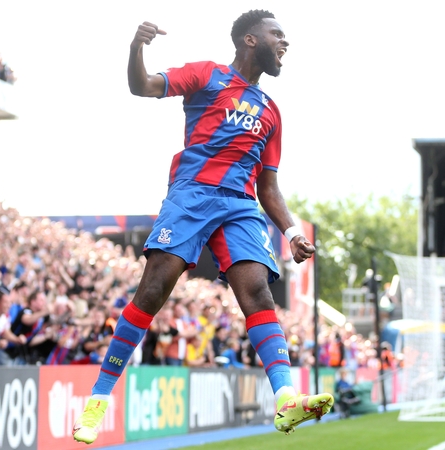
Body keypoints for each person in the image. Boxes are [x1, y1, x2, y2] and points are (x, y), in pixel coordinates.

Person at [72, 10, 333, 444]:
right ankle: (99, 399)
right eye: (277, 35)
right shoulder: (207, 75)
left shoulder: (271, 111)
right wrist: (137, 46)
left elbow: (268, 185)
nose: (285, 44)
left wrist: (291, 232)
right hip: (193, 195)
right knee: (154, 290)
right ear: (250, 40)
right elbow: (143, 86)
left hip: (240, 206)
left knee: (258, 292)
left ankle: (285, 397)